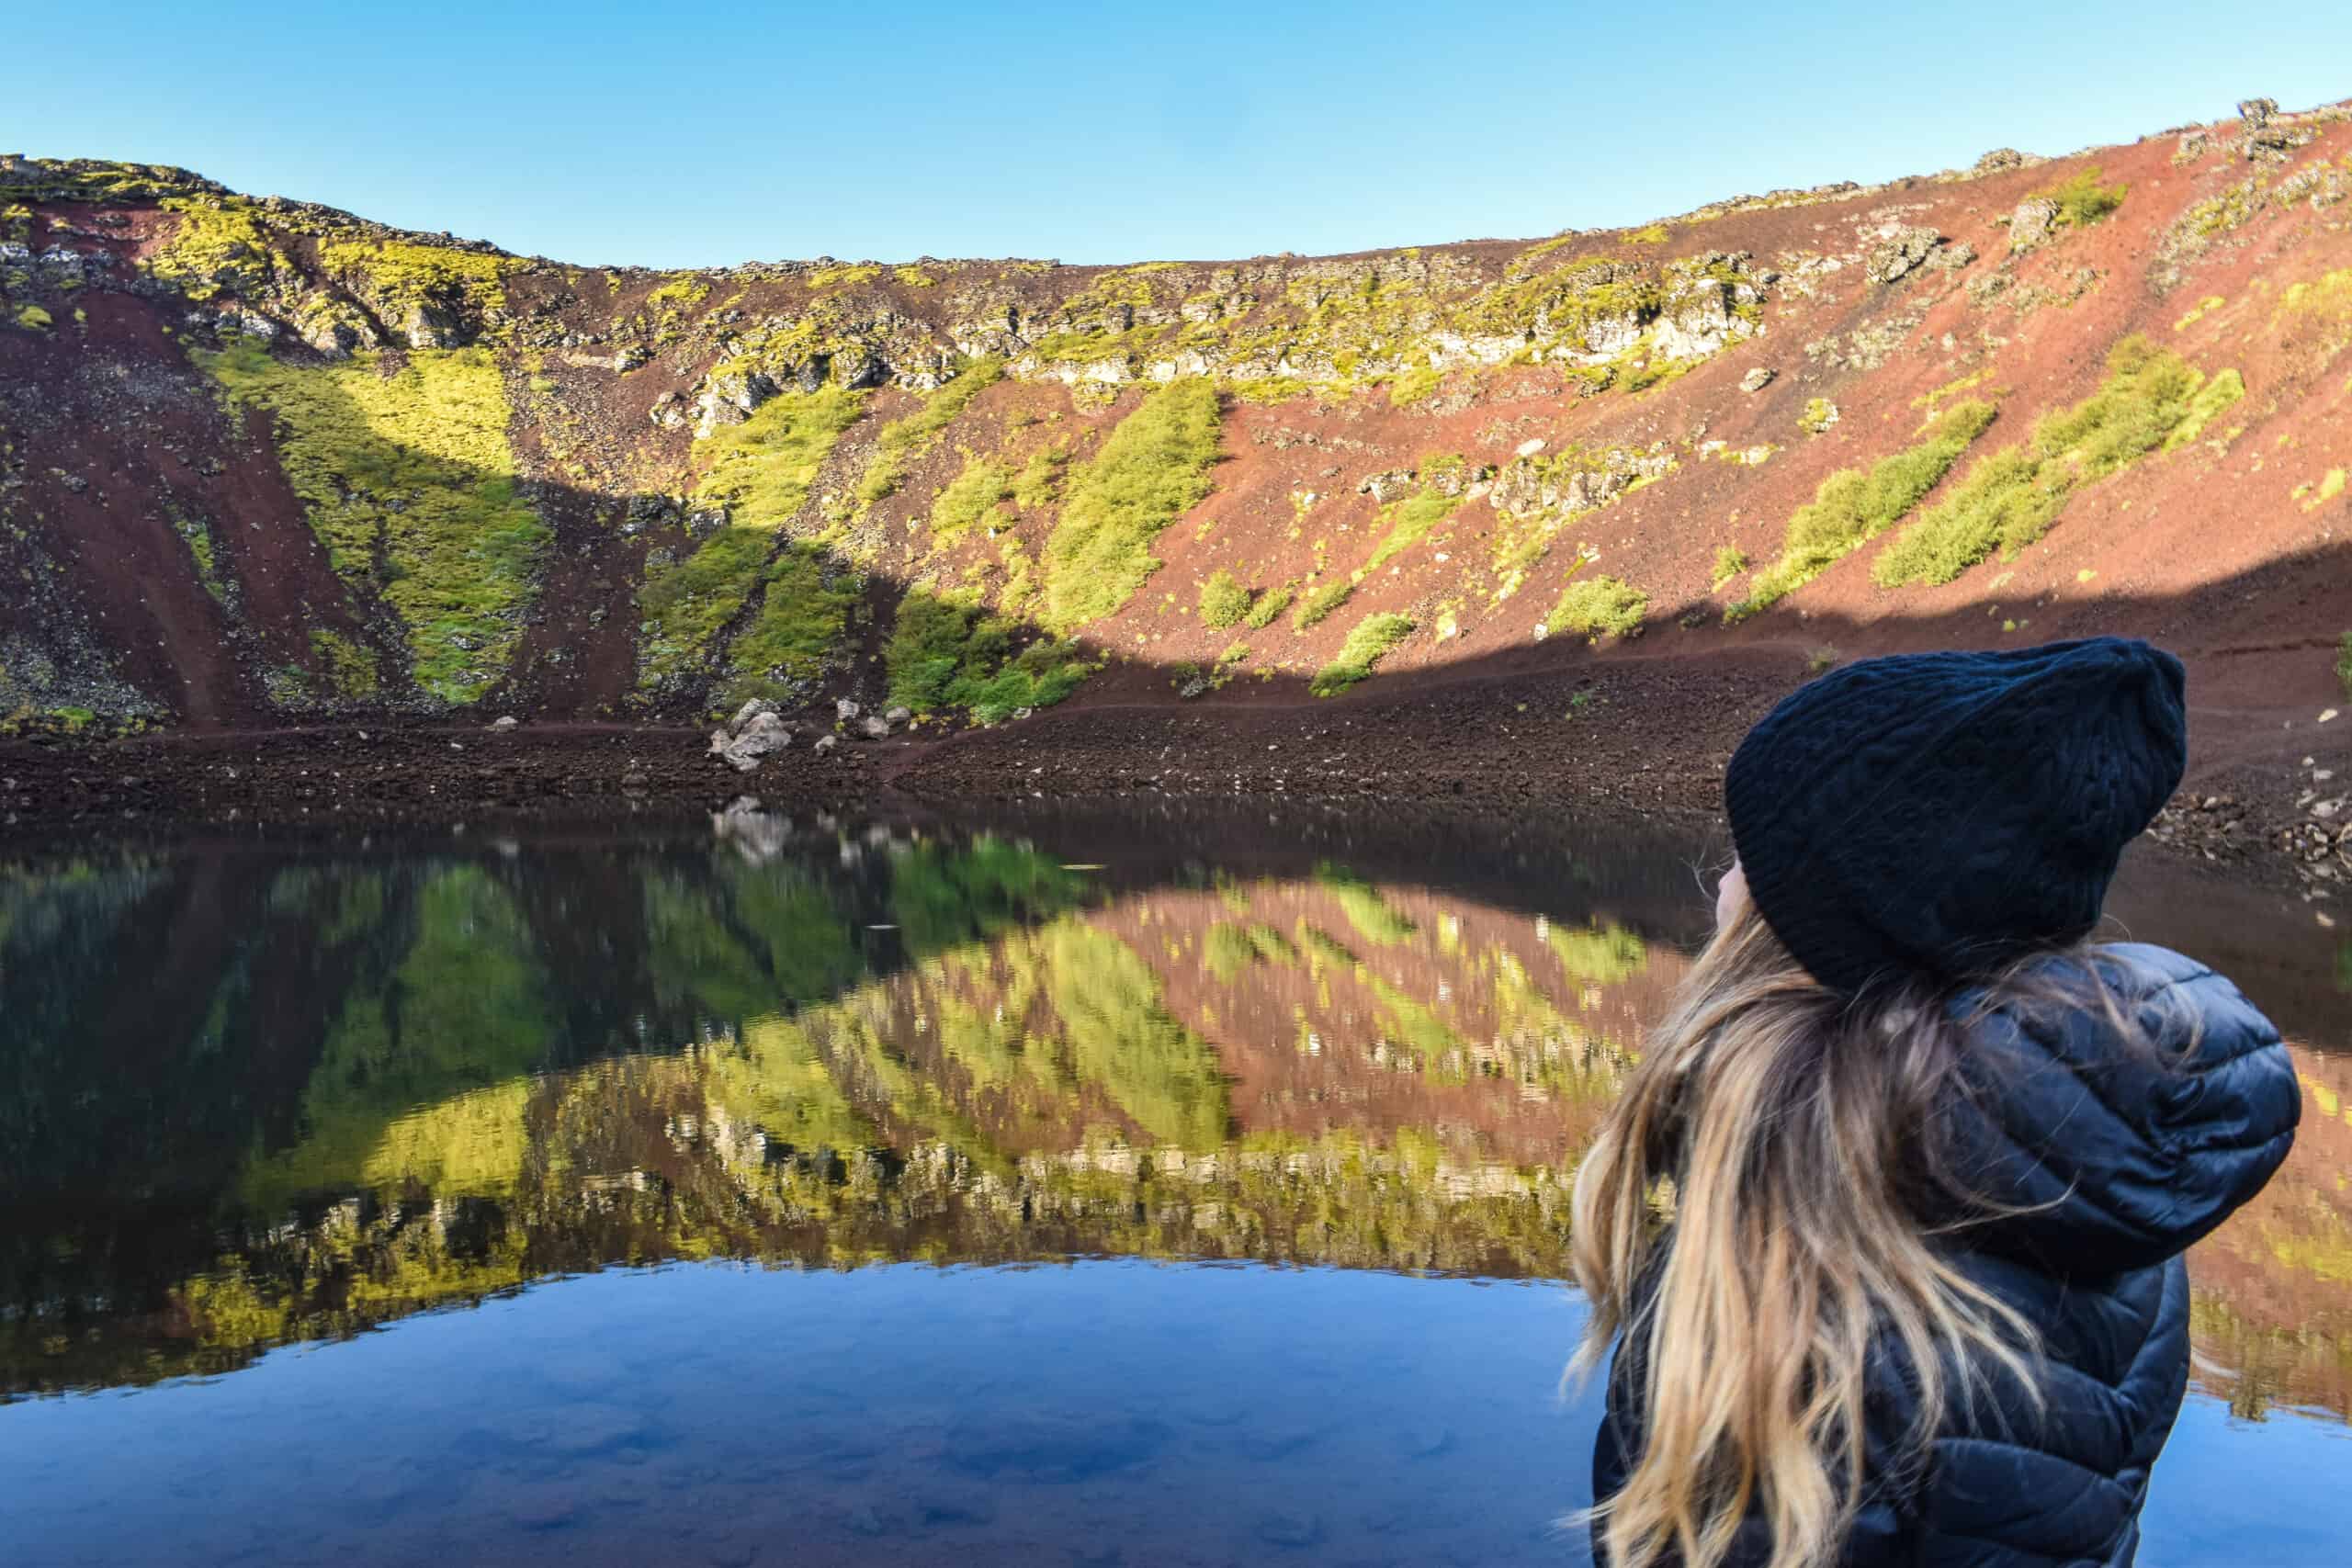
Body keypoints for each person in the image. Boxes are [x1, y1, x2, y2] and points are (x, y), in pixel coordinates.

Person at [1572, 637, 2301, 1568]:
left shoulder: (1792, 1276)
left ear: (1846, 922)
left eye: (1753, 857)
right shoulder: (2077, 1166)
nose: (1722, 883)